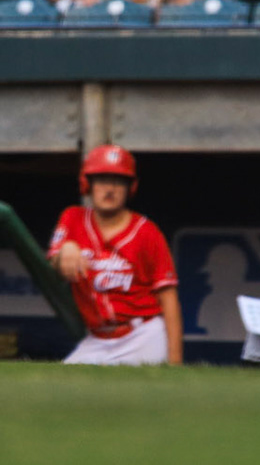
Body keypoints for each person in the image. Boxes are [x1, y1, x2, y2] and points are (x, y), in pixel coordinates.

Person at [49, 145, 181, 366]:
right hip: (97, 339)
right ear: (87, 184)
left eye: (118, 181)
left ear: (130, 187)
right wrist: (64, 250)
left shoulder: (147, 232)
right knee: (60, 382)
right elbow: (55, 264)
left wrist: (176, 363)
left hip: (142, 335)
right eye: (102, 180)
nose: (109, 189)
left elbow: (169, 299)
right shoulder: (72, 218)